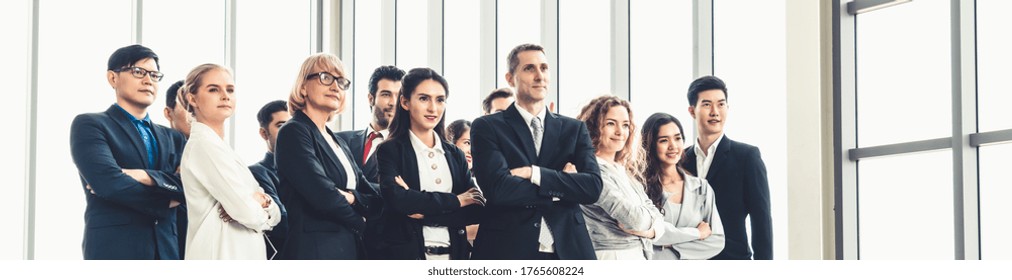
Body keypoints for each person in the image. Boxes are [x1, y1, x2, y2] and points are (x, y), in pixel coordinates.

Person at [469, 43, 602, 260]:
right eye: (529, 68)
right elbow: (498, 189)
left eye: (544, 68)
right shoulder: (487, 127)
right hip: (507, 249)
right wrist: (563, 188)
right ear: (510, 78)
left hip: (568, 250)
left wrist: (535, 174)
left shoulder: (574, 129)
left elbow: (592, 188)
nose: (539, 76)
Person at [70, 44, 186, 260]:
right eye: (138, 72)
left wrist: (146, 176)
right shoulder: (90, 124)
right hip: (115, 250)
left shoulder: (174, 138)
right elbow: (109, 184)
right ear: (113, 78)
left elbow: (189, 185)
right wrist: (166, 200)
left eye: (154, 75)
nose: (148, 80)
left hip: (168, 251)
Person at [275, 53, 382, 260]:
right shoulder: (294, 131)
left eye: (341, 82)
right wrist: (362, 222)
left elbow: (374, 198)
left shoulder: (338, 142)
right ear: (303, 86)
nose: (335, 87)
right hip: (314, 251)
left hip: (347, 249)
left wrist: (351, 197)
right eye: (326, 77)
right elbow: (322, 195)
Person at [374, 68, 485, 260]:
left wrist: (426, 213)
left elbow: (475, 209)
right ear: (405, 102)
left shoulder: (455, 154)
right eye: (424, 98)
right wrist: (456, 200)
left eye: (440, 99)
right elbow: (397, 201)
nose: (433, 108)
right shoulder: (390, 150)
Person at [178, 63, 281, 260]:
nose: (225, 95)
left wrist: (263, 201)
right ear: (193, 98)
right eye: (213, 89)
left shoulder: (221, 148)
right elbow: (248, 213)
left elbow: (274, 212)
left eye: (230, 89)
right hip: (221, 255)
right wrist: (256, 205)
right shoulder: (204, 146)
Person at [681, 75, 771, 260]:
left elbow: (761, 220)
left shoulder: (747, 157)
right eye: (706, 105)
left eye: (721, 104)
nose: (715, 112)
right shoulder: (681, 160)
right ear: (692, 111)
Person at [575, 95, 664, 260]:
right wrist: (649, 223)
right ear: (593, 126)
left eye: (625, 125)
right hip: (611, 256)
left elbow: (656, 216)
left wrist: (650, 230)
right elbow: (633, 219)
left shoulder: (622, 170)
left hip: (635, 255)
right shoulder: (591, 172)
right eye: (610, 123)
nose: (620, 132)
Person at [334, 65, 404, 259]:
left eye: (399, 96)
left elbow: (404, 196)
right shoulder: (339, 140)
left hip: (385, 251)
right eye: (386, 94)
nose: (393, 102)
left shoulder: (410, 150)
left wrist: (352, 194)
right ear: (371, 98)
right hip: (341, 246)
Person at [641, 112, 724, 260]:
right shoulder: (640, 187)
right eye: (664, 140)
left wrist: (670, 244)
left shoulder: (702, 187)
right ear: (651, 145)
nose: (673, 146)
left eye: (678, 138)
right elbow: (643, 233)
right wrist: (696, 234)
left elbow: (717, 241)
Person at [248, 100, 292, 258]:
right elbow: (281, 224)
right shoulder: (257, 173)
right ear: (264, 133)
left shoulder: (316, 168)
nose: (290, 131)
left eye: (293, 124)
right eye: (281, 126)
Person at [163, 79, 189, 258]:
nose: (195, 112)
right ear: (168, 113)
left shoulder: (215, 150)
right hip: (169, 241)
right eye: (187, 105)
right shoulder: (160, 148)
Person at [446, 119, 481, 244]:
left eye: (476, 144)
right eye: (467, 143)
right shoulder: (442, 180)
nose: (471, 150)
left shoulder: (480, 181)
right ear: (451, 142)